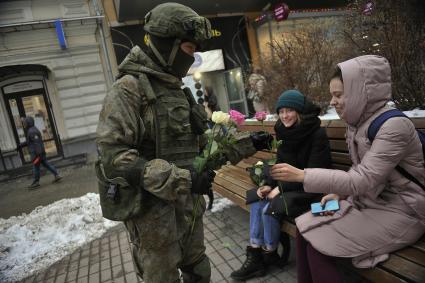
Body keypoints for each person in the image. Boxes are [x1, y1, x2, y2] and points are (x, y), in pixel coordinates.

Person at [95, 3, 269, 282]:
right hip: (153, 219)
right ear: (168, 46)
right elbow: (113, 156)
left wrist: (249, 143)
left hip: (188, 208)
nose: (193, 58)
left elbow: (203, 147)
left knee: (199, 270)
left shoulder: (177, 91)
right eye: (189, 50)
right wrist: (184, 180)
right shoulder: (129, 90)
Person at [271, 55, 425, 283]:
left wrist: (303, 175)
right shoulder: (358, 124)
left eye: (338, 95)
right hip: (371, 202)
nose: (332, 102)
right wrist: (339, 194)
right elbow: (359, 170)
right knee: (304, 231)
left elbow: (362, 179)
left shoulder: (394, 127)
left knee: (319, 247)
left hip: (406, 211)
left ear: (361, 92)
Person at [231, 90, 332, 280]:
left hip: (312, 188)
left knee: (270, 208)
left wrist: (281, 188)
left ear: (300, 112)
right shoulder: (283, 130)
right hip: (291, 185)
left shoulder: (316, 134)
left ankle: (269, 253)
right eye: (281, 111)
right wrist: (268, 184)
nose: (284, 116)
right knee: (257, 199)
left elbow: (315, 173)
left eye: (289, 111)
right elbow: (279, 164)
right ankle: (256, 255)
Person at [17, 116, 62, 189]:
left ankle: (36, 182)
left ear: (28, 123)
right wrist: (20, 145)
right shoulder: (32, 130)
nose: (24, 125)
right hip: (39, 153)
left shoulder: (32, 131)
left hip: (37, 154)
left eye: (25, 123)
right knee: (46, 164)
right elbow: (30, 142)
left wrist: (38, 155)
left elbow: (36, 143)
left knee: (36, 167)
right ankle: (57, 175)